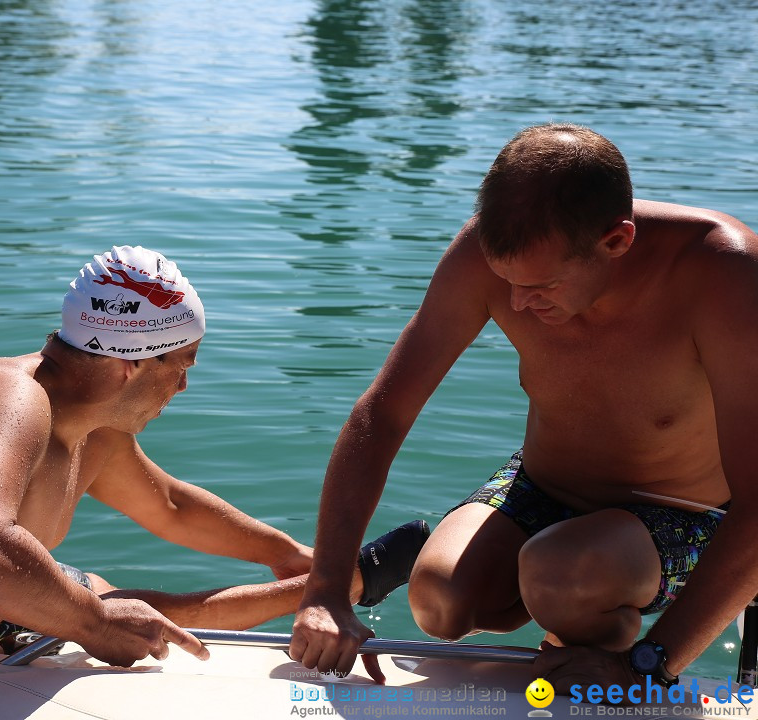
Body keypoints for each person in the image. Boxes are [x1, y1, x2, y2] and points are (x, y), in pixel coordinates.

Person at [290, 123, 758, 688]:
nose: (515, 302)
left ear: (617, 241)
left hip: (682, 513)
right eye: (505, 279)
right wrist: (325, 592)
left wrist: (653, 661)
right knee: (438, 601)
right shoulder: (486, 256)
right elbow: (382, 415)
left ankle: (595, 629)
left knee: (560, 575)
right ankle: (543, 594)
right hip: (541, 484)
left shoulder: (722, 271)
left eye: (542, 285)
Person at [0, 245, 429, 668]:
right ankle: (346, 581)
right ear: (132, 364)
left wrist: (282, 552)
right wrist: (92, 626)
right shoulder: (9, 399)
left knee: (145, 610)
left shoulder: (92, 424)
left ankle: (335, 581)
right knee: (115, 611)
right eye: (182, 366)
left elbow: (170, 506)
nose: (184, 387)